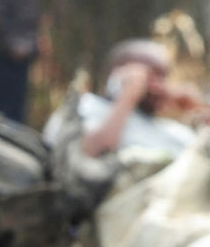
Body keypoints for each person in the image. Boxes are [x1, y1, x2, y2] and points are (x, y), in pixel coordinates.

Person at [45, 38, 207, 158]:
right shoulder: (85, 108)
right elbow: (86, 156)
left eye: (163, 77)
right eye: (150, 76)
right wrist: (128, 95)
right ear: (118, 76)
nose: (160, 87)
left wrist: (201, 109)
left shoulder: (173, 131)